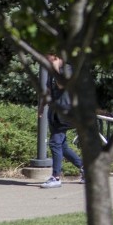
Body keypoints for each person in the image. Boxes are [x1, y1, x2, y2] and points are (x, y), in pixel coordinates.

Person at [39, 54, 83, 189]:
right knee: (62, 146)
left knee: (54, 143)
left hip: (67, 113)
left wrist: (56, 68)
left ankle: (56, 177)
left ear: (56, 56)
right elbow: (48, 91)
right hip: (55, 113)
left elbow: (62, 84)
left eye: (49, 57)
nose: (46, 60)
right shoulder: (52, 73)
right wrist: (41, 108)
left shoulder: (68, 69)